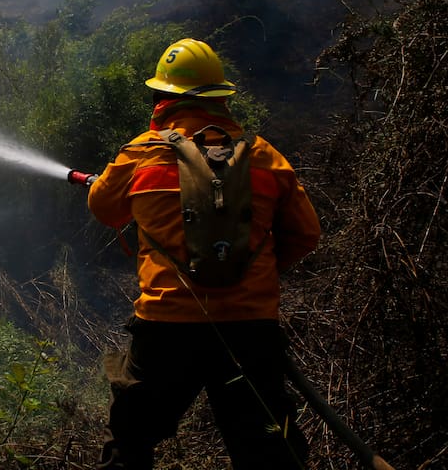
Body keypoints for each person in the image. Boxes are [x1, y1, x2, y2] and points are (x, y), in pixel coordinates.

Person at [87, 38, 321, 470]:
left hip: (165, 330)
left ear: (162, 98)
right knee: (270, 452)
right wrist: (252, 270)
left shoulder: (141, 152)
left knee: (130, 441)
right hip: (251, 329)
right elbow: (307, 234)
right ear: (220, 98)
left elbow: (103, 209)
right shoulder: (265, 157)